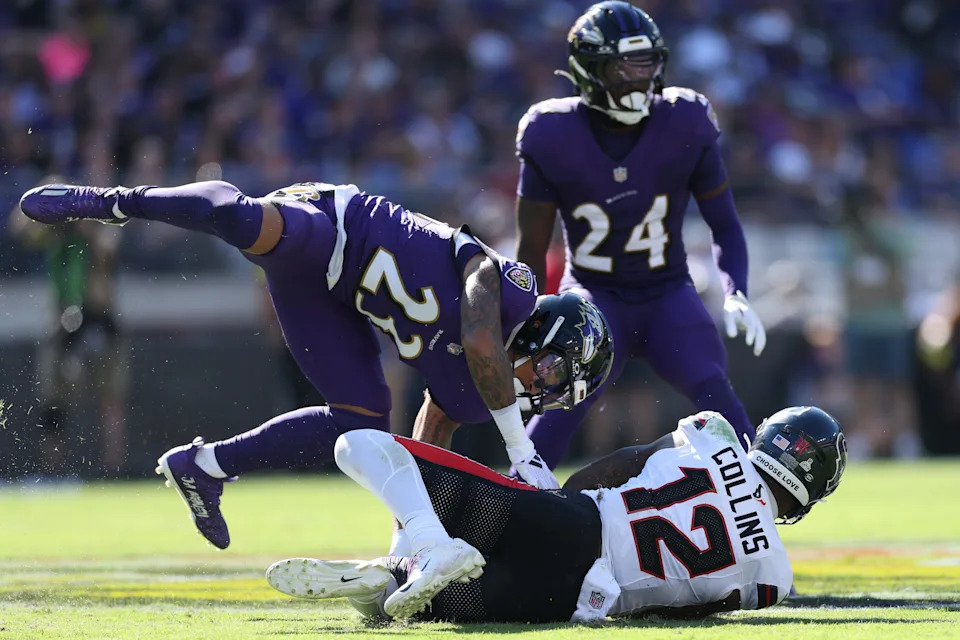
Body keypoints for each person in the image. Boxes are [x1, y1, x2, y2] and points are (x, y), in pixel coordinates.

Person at [18, 179, 614, 548]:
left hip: (330, 302)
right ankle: (108, 201)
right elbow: (482, 339)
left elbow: (426, 446)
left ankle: (204, 465)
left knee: (360, 423)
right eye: (555, 373)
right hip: (337, 229)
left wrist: (407, 543)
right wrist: (521, 449)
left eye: (560, 393)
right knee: (245, 220)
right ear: (543, 332)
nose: (544, 389)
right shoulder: (512, 292)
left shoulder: (471, 394)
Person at [265, 406, 846, 622]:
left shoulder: (713, 435)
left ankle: (416, 546)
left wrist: (560, 495)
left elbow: (626, 462)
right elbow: (696, 611)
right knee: (423, 608)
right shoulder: (776, 577)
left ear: (767, 439)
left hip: (574, 523)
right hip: (579, 601)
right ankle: (386, 574)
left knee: (362, 446)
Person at [512, 1, 765, 468]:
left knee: (713, 389)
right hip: (593, 293)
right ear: (590, 70)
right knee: (561, 406)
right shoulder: (551, 132)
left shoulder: (684, 119)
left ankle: (762, 499)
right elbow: (531, 247)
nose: (637, 78)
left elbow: (724, 222)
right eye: (622, 67)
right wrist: (521, 311)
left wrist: (737, 291)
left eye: (645, 64)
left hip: (668, 291)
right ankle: (512, 496)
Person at [8, 180, 129, 478]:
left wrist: (81, 217)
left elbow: (108, 251)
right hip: (62, 322)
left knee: (110, 398)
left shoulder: (96, 225)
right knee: (53, 402)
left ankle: (113, 470)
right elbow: (19, 230)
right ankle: (53, 472)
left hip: (99, 318)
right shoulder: (54, 235)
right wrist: (43, 198)